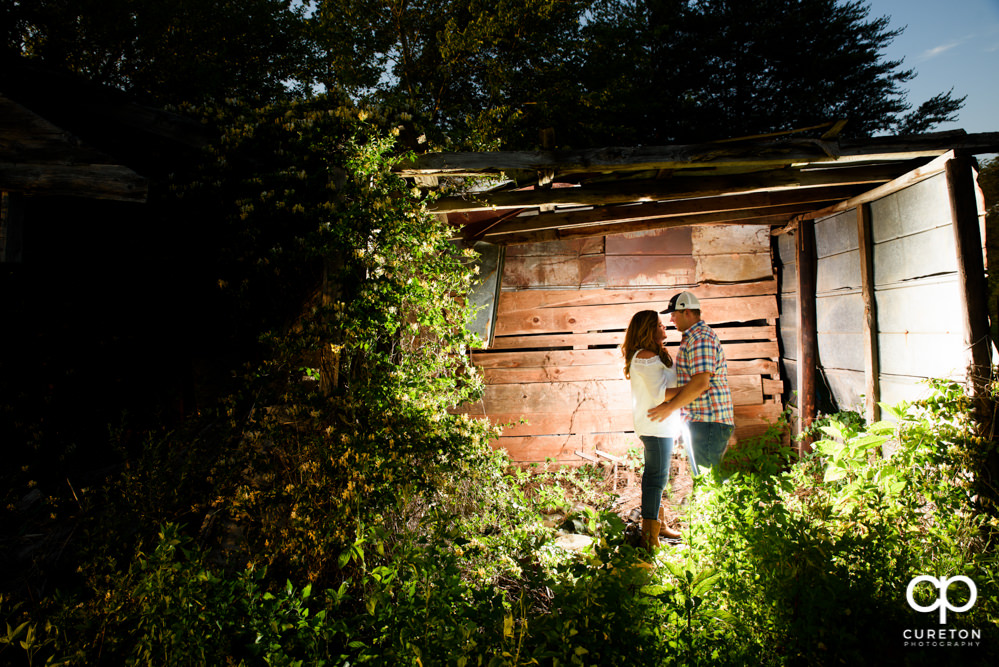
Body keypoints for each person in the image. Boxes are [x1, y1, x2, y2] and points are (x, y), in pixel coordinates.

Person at [649, 291, 734, 474]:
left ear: (686, 312)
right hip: (701, 420)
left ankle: (715, 504)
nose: (671, 319)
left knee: (708, 482)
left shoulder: (700, 339)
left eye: (674, 314)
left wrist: (669, 407)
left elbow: (700, 383)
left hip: (708, 421)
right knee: (704, 480)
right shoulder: (693, 338)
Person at [622, 310, 684, 551]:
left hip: (661, 424)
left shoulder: (653, 354)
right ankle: (649, 536)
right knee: (655, 478)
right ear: (648, 330)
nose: (664, 328)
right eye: (659, 325)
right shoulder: (645, 357)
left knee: (659, 476)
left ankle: (659, 523)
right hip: (655, 425)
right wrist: (692, 388)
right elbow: (661, 393)